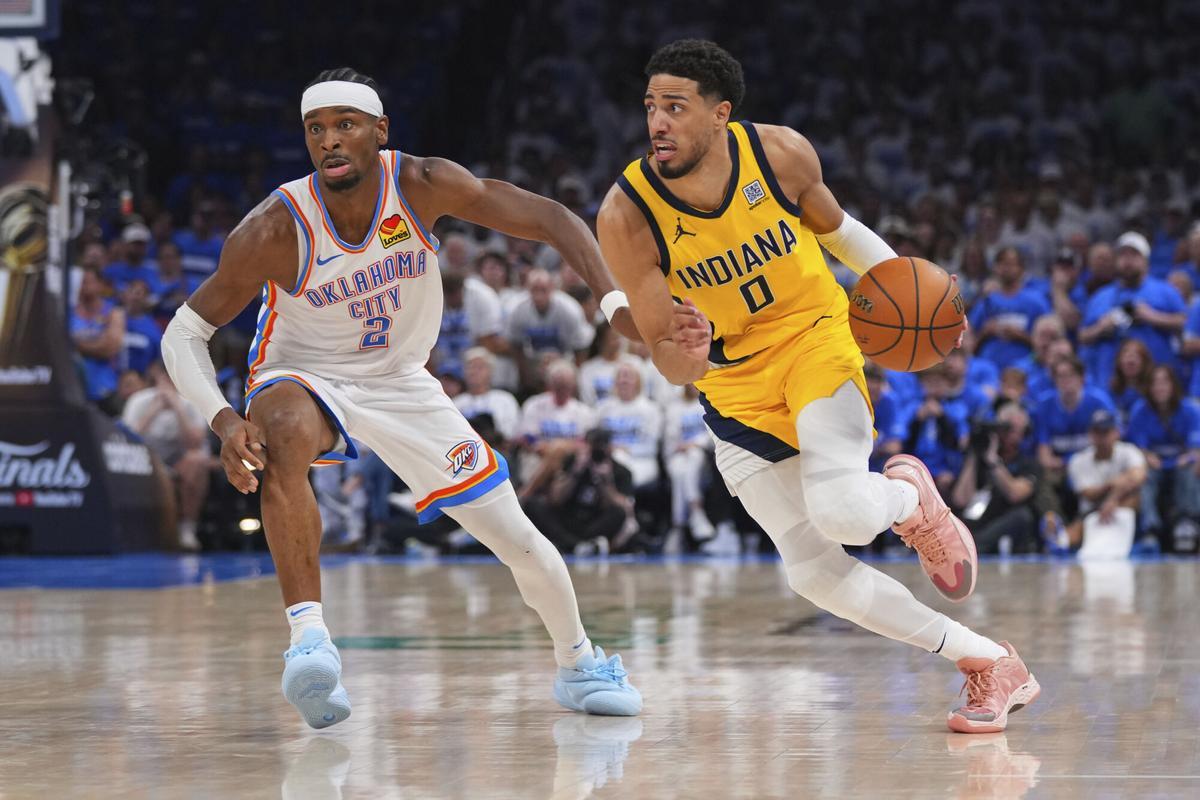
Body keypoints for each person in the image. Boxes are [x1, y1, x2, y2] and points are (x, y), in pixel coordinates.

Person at [161, 68, 642, 729]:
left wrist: (614, 305)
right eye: (316, 130)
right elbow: (183, 335)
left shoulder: (420, 183)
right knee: (280, 430)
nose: (330, 141)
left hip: (405, 382)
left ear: (379, 132)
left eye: (345, 126)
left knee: (519, 541)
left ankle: (579, 661)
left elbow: (552, 218)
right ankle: (310, 641)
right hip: (305, 373)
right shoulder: (275, 229)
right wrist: (221, 418)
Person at [596, 40, 1036, 734]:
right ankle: (990, 663)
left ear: (720, 114)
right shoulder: (627, 215)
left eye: (675, 107)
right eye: (651, 106)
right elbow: (666, 356)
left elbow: (846, 238)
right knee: (812, 573)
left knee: (840, 510)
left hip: (815, 340)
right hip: (732, 389)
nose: (657, 122)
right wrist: (688, 354)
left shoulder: (778, 154)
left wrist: (921, 306)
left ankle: (907, 499)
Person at [121, 360, 211, 551]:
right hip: (143, 461)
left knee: (197, 461)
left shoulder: (193, 401)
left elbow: (195, 442)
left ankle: (187, 529)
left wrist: (177, 408)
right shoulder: (139, 400)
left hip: (178, 460)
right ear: (158, 376)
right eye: (166, 375)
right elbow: (126, 440)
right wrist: (154, 411)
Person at [1079, 231, 1186, 386]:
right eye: (1123, 255)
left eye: (1134, 255)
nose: (1128, 261)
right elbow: (1083, 336)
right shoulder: (1101, 296)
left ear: (1146, 260)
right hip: (1111, 379)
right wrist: (1101, 327)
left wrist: (1152, 316)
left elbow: (1185, 323)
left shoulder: (1165, 291)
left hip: (1155, 383)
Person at [950, 404, 1041, 555]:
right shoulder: (981, 459)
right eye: (1006, 428)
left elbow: (1015, 494)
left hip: (1005, 526)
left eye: (1015, 430)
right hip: (979, 523)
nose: (1010, 435)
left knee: (1022, 515)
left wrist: (993, 461)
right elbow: (960, 500)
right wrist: (974, 454)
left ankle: (972, 547)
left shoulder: (1029, 463)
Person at [1126, 365, 1200, 548]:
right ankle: (1150, 528)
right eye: (1155, 383)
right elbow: (1137, 448)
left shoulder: (1190, 409)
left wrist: (1190, 456)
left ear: (1173, 385)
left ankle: (1187, 522)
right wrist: (1146, 456)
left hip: (1182, 464)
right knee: (1143, 474)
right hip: (1155, 465)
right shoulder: (1139, 411)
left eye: (1164, 382)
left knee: (1190, 469)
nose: (1160, 388)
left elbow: (1196, 448)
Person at [1066, 410, 1147, 556]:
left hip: (1123, 503)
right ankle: (1064, 541)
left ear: (1116, 432)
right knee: (1072, 535)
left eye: (1106, 431)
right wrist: (1113, 484)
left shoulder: (1129, 451)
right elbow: (1088, 494)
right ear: (1090, 434)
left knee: (1137, 496)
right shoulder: (1079, 460)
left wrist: (1113, 499)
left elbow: (1138, 476)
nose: (1102, 437)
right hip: (1091, 510)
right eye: (1097, 432)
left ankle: (1148, 535)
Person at [968, 247, 1052, 371]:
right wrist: (985, 333)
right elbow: (969, 342)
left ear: (1022, 269)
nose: (1007, 269)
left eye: (1012, 264)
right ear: (995, 268)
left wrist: (1021, 336)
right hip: (989, 366)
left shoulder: (1036, 301)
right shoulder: (986, 300)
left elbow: (1050, 342)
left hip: (1025, 368)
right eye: (1002, 264)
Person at [453, 347, 520, 443]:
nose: (474, 371)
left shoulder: (505, 399)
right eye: (470, 367)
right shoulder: (456, 403)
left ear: (490, 371)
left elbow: (511, 434)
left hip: (497, 450)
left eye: (479, 367)